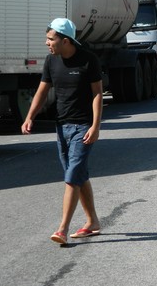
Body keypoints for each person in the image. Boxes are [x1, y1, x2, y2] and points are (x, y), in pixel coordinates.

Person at [21, 18, 103, 245]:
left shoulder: (88, 60)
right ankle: (92, 222)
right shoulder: (51, 61)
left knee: (71, 178)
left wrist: (96, 126)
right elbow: (42, 90)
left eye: (50, 39)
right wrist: (30, 116)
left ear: (65, 40)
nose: (47, 43)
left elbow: (97, 93)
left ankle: (62, 229)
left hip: (83, 127)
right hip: (62, 127)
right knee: (77, 175)